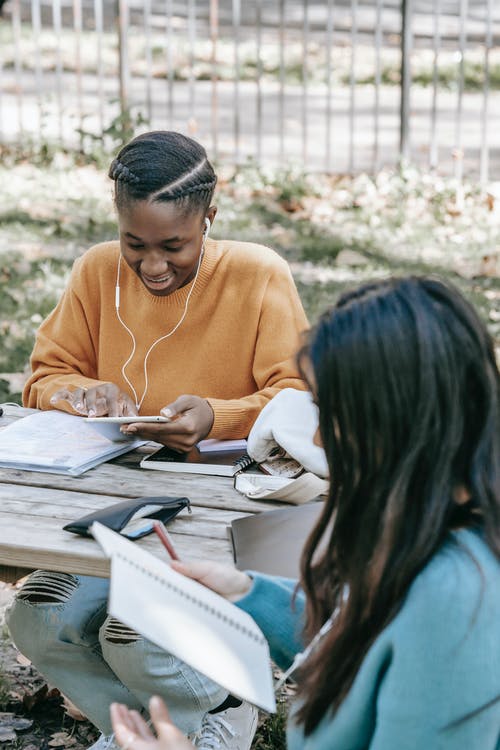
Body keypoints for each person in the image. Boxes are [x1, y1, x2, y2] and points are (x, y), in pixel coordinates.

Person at [7, 130, 308, 750]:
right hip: (112, 504)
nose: (152, 265)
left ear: (210, 220)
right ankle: (181, 734)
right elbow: (43, 377)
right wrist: (81, 393)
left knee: (134, 633)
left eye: (175, 245)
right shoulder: (96, 272)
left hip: (219, 513)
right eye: (134, 244)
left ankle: (220, 703)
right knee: (38, 616)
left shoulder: (257, 276)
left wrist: (218, 415)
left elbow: (300, 400)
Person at [109, 277, 499, 750]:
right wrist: (248, 594)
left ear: (390, 420)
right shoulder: (426, 526)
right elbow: (362, 635)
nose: (317, 441)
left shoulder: (455, 599)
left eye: (327, 411)